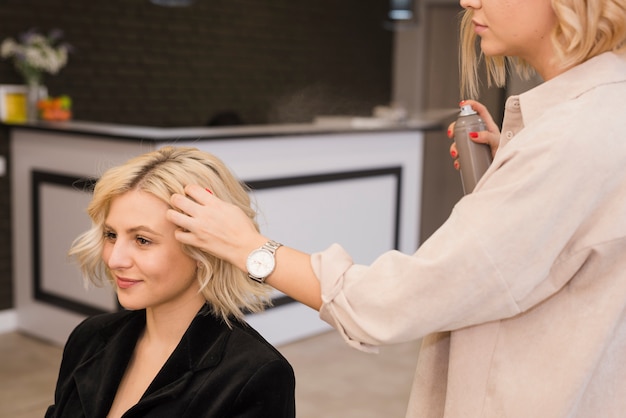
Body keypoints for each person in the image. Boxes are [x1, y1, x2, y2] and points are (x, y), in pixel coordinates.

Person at [166, 0, 626, 416]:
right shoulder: (601, 116)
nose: (467, 2)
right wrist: (506, 183)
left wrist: (250, 249)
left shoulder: (569, 139)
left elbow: (402, 298)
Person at [45, 146, 296, 418]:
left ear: (204, 248)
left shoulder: (254, 374)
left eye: (142, 240)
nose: (115, 259)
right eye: (111, 235)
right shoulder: (88, 338)